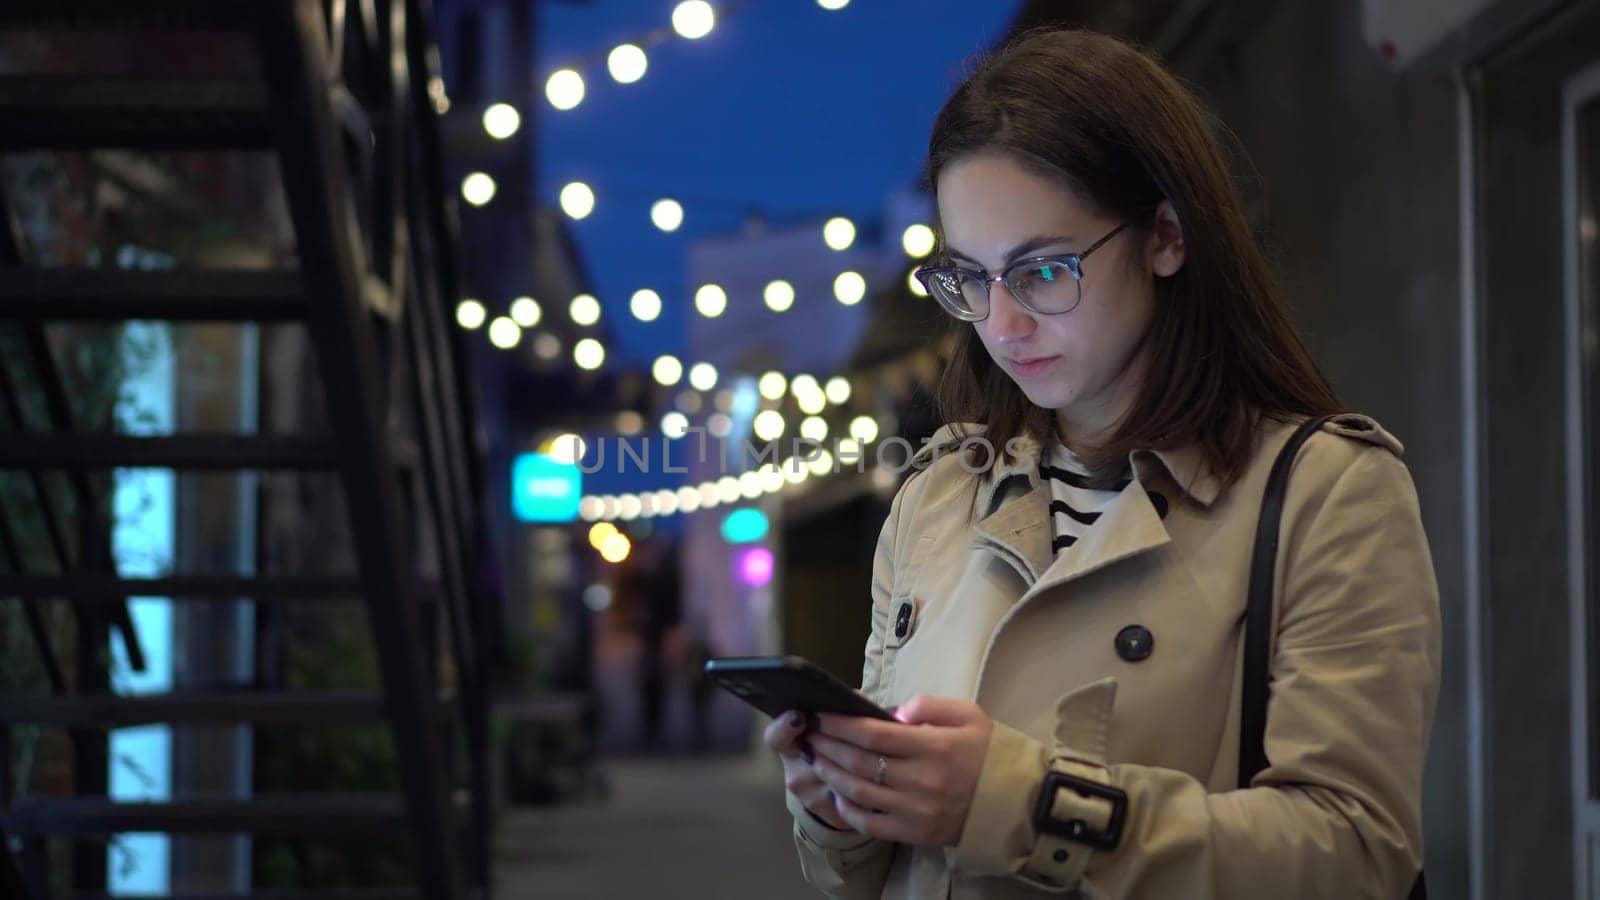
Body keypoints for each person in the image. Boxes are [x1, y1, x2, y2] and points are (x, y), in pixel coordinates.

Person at [763, 28, 1440, 900]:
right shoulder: (934, 497)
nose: (1001, 324)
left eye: (1044, 271)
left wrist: (1015, 804)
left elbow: (1357, 852)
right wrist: (837, 803)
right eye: (970, 278)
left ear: (1165, 236)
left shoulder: (1325, 492)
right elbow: (853, 881)